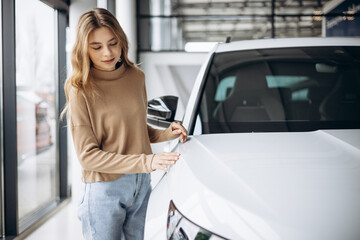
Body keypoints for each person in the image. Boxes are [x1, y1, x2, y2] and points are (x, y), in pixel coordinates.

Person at [60, 8, 188, 240]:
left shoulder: (135, 76)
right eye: (96, 47)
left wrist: (167, 133)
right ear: (83, 50)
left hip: (142, 183)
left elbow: (136, 129)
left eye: (113, 43)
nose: (108, 52)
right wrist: (147, 160)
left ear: (122, 41)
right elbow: (87, 156)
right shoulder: (80, 88)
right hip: (104, 189)